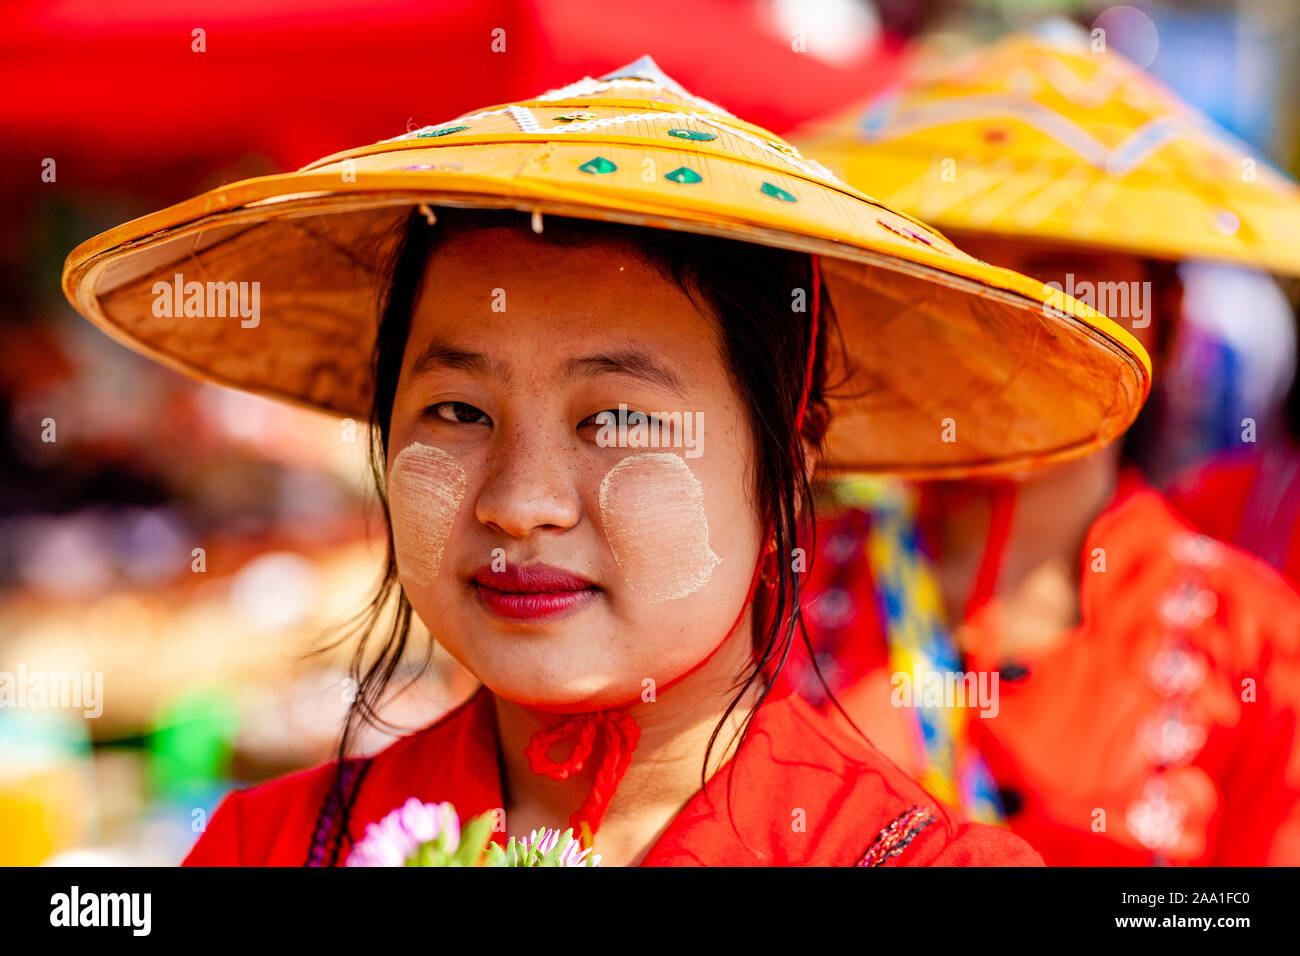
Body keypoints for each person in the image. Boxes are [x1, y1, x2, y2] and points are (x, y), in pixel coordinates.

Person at [63, 57, 1146, 866]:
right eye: (455, 407)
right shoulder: (266, 846)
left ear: (788, 459)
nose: (521, 502)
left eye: (618, 420)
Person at [786, 24, 1300, 864]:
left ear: (1164, 321)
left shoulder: (1257, 645)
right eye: (958, 278)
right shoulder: (774, 598)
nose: (1010, 326)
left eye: (1064, 279)